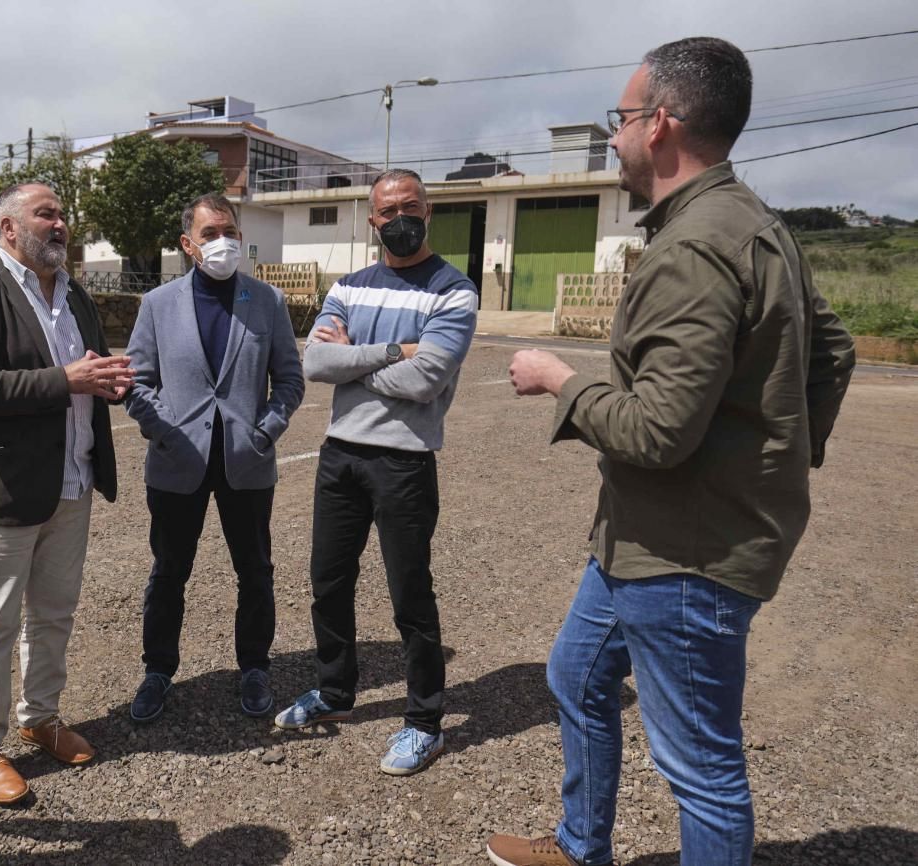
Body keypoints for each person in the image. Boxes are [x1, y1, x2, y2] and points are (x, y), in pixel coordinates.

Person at [486, 37, 856, 866]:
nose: (611, 139)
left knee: (701, 769)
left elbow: (656, 432)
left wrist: (557, 381)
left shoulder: (694, 247)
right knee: (577, 677)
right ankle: (582, 848)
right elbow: (834, 353)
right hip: (643, 540)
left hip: (687, 554)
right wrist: (777, 457)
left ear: (659, 124)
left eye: (618, 120)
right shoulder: (752, 222)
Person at [0, 183, 134, 804]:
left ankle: (40, 716)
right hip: (3, 487)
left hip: (72, 480)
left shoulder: (75, 298)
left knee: (54, 613)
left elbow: (83, 375)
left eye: (62, 215)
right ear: (9, 229)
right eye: (46, 214)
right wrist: (66, 379)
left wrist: (105, 382)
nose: (61, 224)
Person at [275, 169, 477, 776]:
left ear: (428, 210)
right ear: (372, 220)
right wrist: (395, 350)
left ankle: (424, 722)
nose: (398, 218)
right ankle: (335, 694)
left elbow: (426, 380)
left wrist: (353, 360)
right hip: (340, 455)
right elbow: (314, 362)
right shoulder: (350, 284)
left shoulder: (454, 290)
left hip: (405, 459)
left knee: (410, 593)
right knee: (328, 582)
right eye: (387, 211)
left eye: (409, 207)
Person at [124, 193, 304, 722]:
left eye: (228, 230)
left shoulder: (266, 301)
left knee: (255, 571)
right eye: (209, 234)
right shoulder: (157, 304)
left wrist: (264, 432)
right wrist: (165, 431)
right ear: (188, 244)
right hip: (177, 463)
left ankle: (254, 668)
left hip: (245, 464)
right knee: (168, 572)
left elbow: (289, 379)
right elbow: (138, 382)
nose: (222, 241)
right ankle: (158, 671)